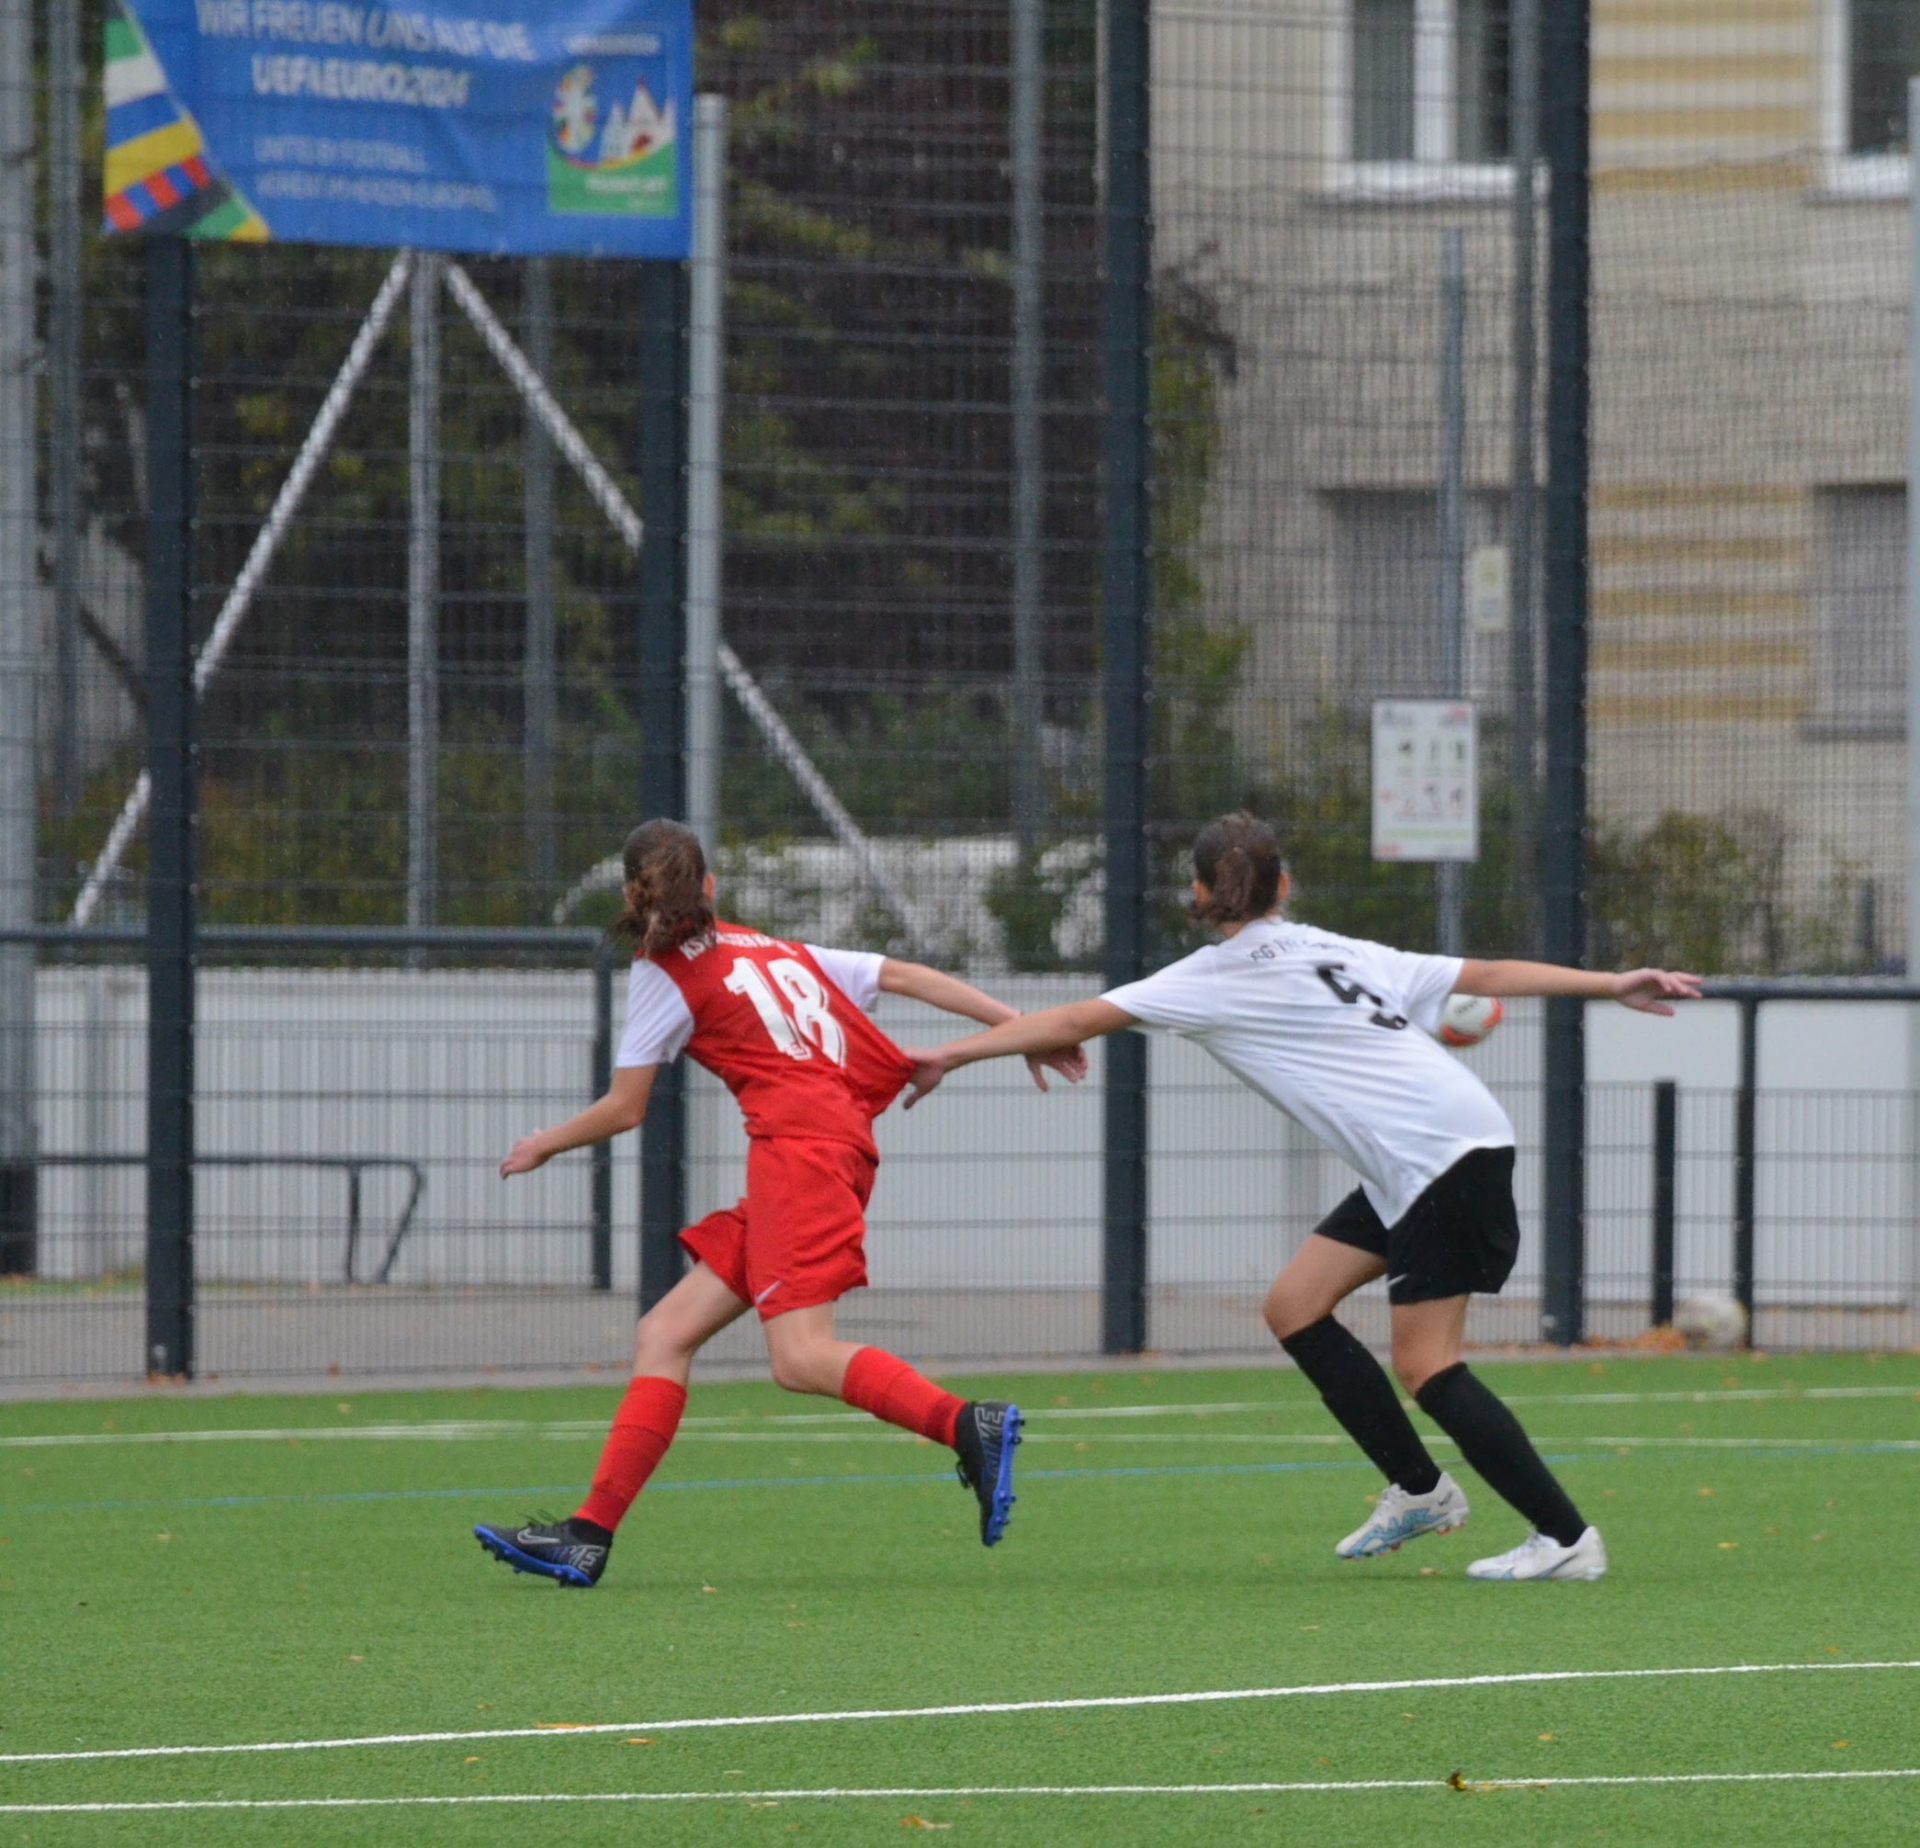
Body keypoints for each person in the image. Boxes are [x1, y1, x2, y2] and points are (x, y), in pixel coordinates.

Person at [907, 812, 1700, 1583]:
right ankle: (1422, 1491)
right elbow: (1485, 976)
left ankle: (1564, 1536)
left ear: (1198, 894)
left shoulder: (1210, 976)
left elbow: (1076, 1017)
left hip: (1433, 1157)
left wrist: (949, 1052)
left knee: (1428, 1367)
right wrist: (1611, 982)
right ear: (1284, 884)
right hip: (1434, 1148)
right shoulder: (1336, 949)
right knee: (1295, 1304)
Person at [476, 819, 1084, 1587]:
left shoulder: (663, 973)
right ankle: (588, 1534)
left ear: (634, 896)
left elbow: (627, 1107)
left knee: (799, 1356)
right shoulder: (769, 948)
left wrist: (545, 1143)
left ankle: (967, 1423)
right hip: (828, 1145)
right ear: (710, 887)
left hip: (799, 1155)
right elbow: (904, 976)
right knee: (665, 1332)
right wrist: (1018, 1026)